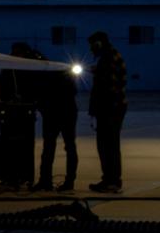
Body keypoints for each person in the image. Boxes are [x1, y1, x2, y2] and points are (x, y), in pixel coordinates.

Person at [87, 31, 127, 193]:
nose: (91, 49)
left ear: (98, 43)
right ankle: (111, 179)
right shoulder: (112, 56)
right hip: (114, 107)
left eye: (92, 45)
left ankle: (111, 180)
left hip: (109, 108)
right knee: (110, 145)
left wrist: (97, 108)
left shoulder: (107, 58)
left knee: (107, 146)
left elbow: (107, 87)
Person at [33, 57, 79, 193]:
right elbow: (73, 91)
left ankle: (45, 181)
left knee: (49, 148)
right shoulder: (64, 75)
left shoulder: (45, 76)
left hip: (52, 114)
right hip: (67, 113)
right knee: (69, 147)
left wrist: (42, 107)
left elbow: (40, 96)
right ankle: (69, 181)